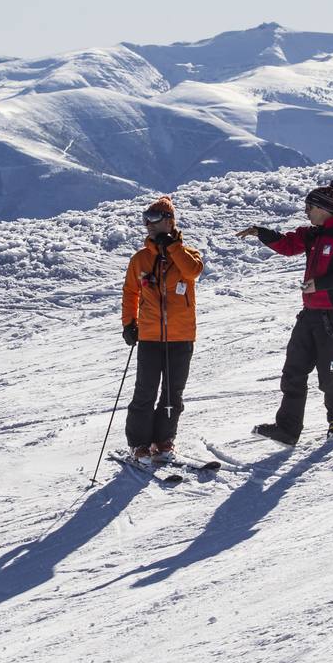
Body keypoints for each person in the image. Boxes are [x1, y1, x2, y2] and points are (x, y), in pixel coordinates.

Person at [236, 181, 333, 446]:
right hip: (310, 313)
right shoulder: (313, 234)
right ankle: (287, 430)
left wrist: (320, 284)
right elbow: (287, 245)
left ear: (321, 208)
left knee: (328, 373)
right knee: (293, 370)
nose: (305, 211)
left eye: (309, 206)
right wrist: (261, 232)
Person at [120, 196, 204, 466]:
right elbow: (130, 292)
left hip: (181, 336)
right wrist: (128, 323)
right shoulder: (140, 259)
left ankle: (164, 440)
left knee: (172, 393)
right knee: (145, 391)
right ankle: (139, 444)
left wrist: (174, 248)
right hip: (149, 336)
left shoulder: (188, 255)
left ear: (169, 222)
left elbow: (192, 272)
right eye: (146, 219)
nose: (148, 225)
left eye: (154, 219)